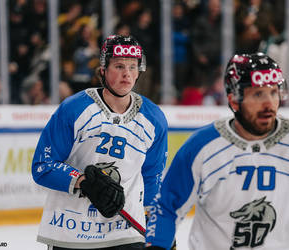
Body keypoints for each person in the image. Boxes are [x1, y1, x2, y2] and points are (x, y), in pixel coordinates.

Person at [31, 34, 168, 249]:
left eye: (133, 67)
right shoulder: (74, 109)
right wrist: (83, 181)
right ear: (103, 70)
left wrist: (158, 226)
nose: (127, 74)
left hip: (125, 231)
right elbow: (42, 166)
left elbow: (152, 177)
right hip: (70, 229)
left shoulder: (154, 119)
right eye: (119, 66)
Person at [145, 52, 289, 250]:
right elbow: (167, 207)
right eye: (258, 94)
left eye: (273, 92)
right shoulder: (201, 146)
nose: (269, 104)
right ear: (234, 100)